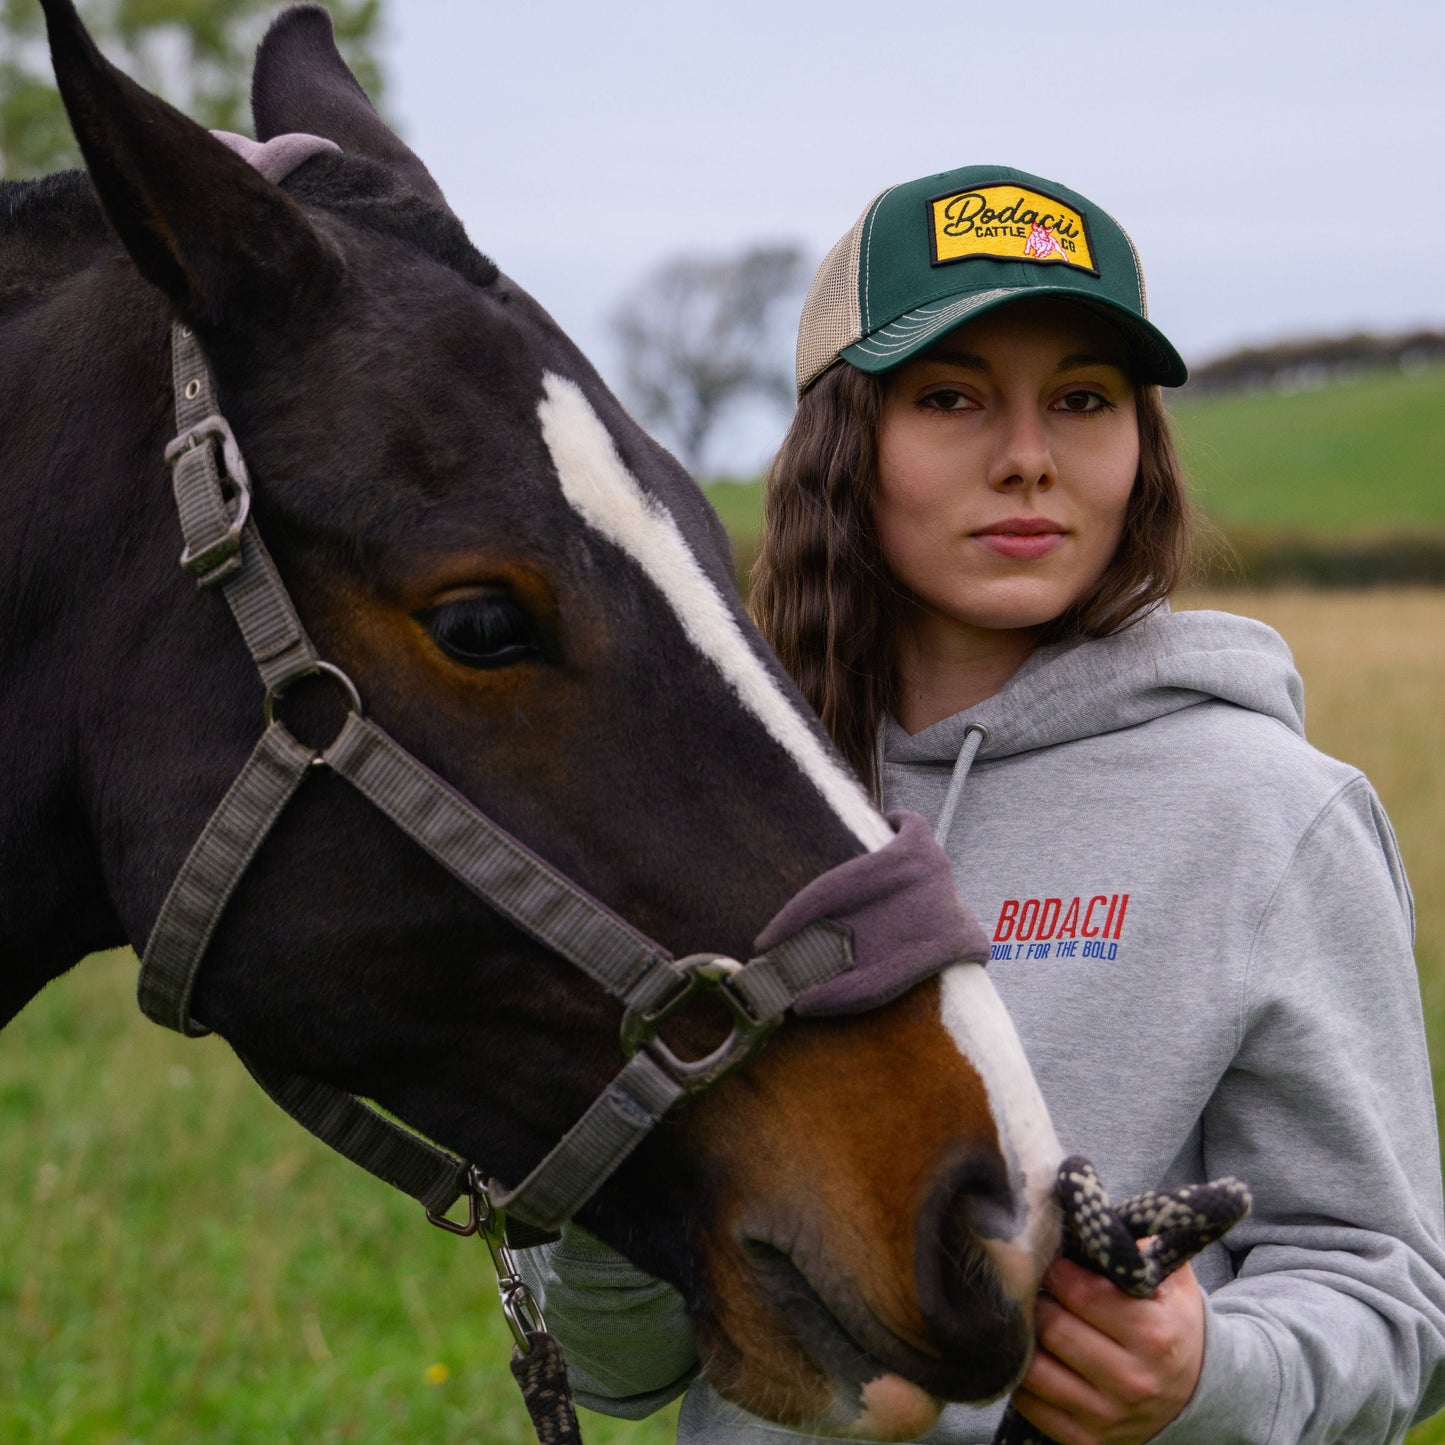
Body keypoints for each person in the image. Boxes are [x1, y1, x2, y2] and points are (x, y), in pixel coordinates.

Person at [518, 164, 1445, 1444]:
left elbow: (1389, 1301)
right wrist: (622, 1154)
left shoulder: (1269, 812)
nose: (1027, 459)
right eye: (950, 398)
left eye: (1081, 399)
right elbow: (617, 1369)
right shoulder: (717, 812)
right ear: (845, 438)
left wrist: (1200, 1376)